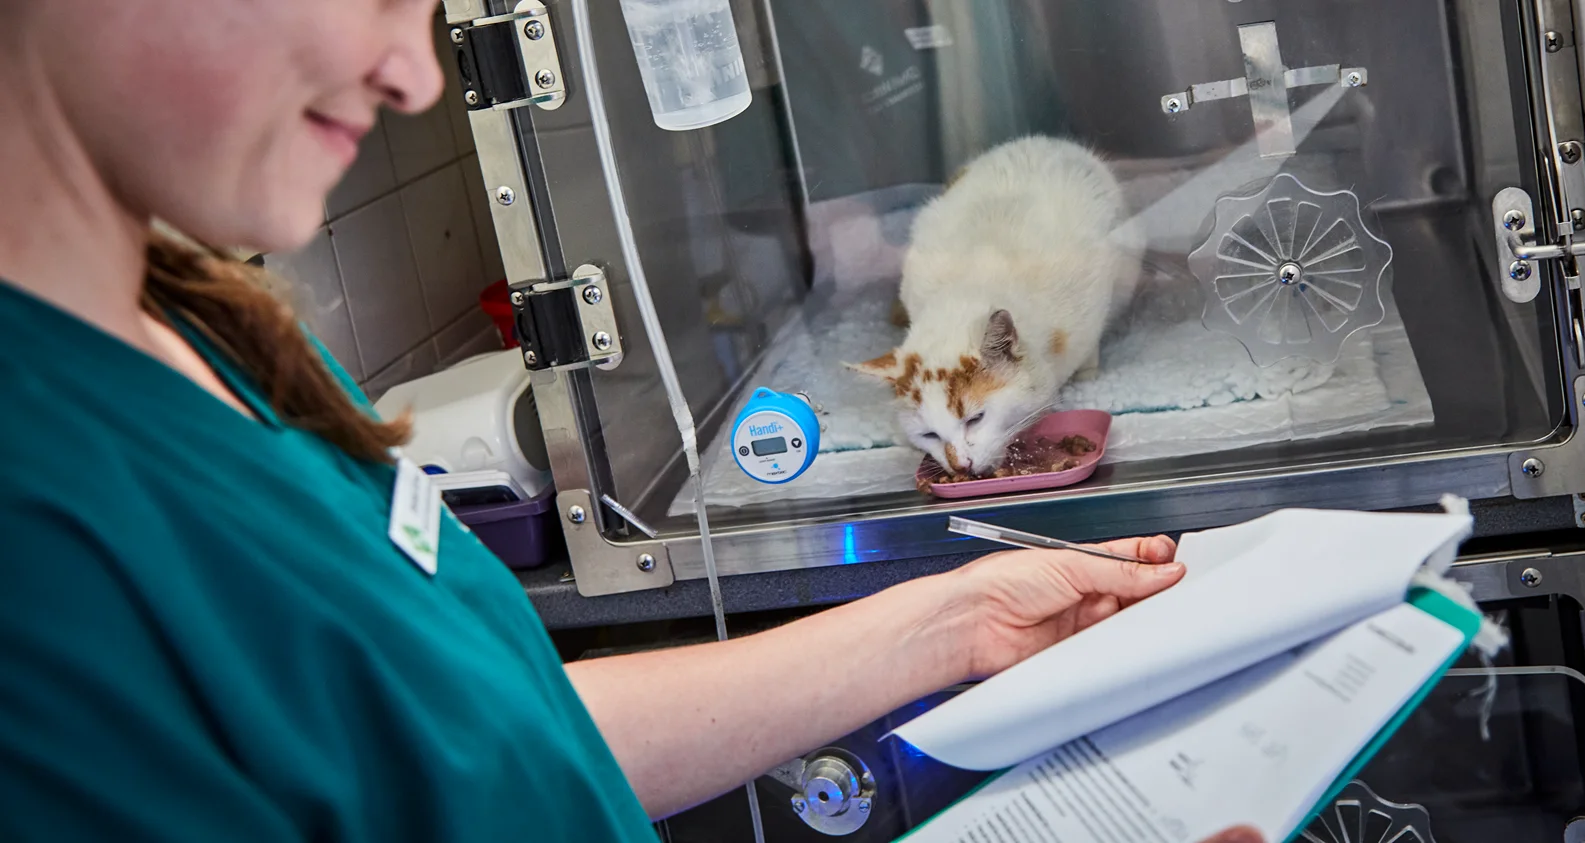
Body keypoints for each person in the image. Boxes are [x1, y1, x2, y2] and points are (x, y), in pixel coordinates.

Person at [0, 2, 1269, 841]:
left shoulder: (214, 336)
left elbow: (479, 740)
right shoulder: (39, 538)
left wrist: (953, 623)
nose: (413, 71)